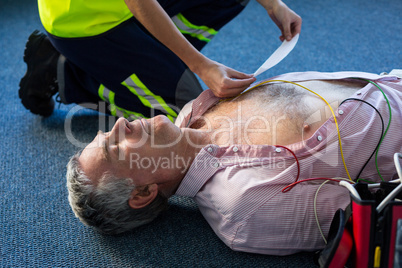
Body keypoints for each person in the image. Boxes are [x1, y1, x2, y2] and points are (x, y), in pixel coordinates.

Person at [67, 70, 402, 255]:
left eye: (106, 133)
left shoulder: (192, 112)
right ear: (142, 194)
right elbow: (381, 214)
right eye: (115, 148)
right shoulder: (244, 207)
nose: (119, 124)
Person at [18, 0, 301, 118]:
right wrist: (201, 65)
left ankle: (154, 55)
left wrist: (273, 4)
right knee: (187, 113)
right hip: (89, 23)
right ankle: (67, 73)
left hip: (133, 8)